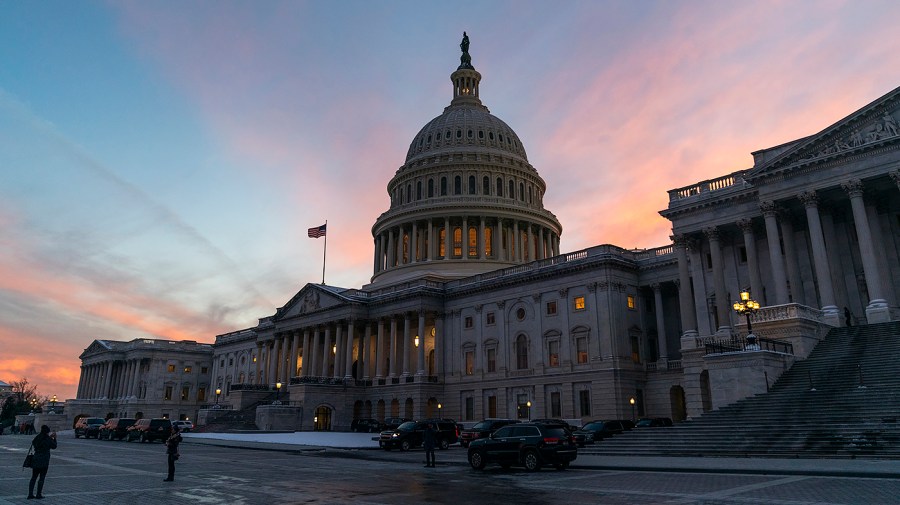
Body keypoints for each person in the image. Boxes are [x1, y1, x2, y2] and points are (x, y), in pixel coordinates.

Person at [27, 425, 57, 499]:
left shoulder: (37, 437)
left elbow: (34, 443)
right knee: (42, 478)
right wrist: (54, 438)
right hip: (44, 460)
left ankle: (30, 494)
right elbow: (54, 446)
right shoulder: (47, 439)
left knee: (33, 477)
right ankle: (38, 494)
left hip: (36, 459)